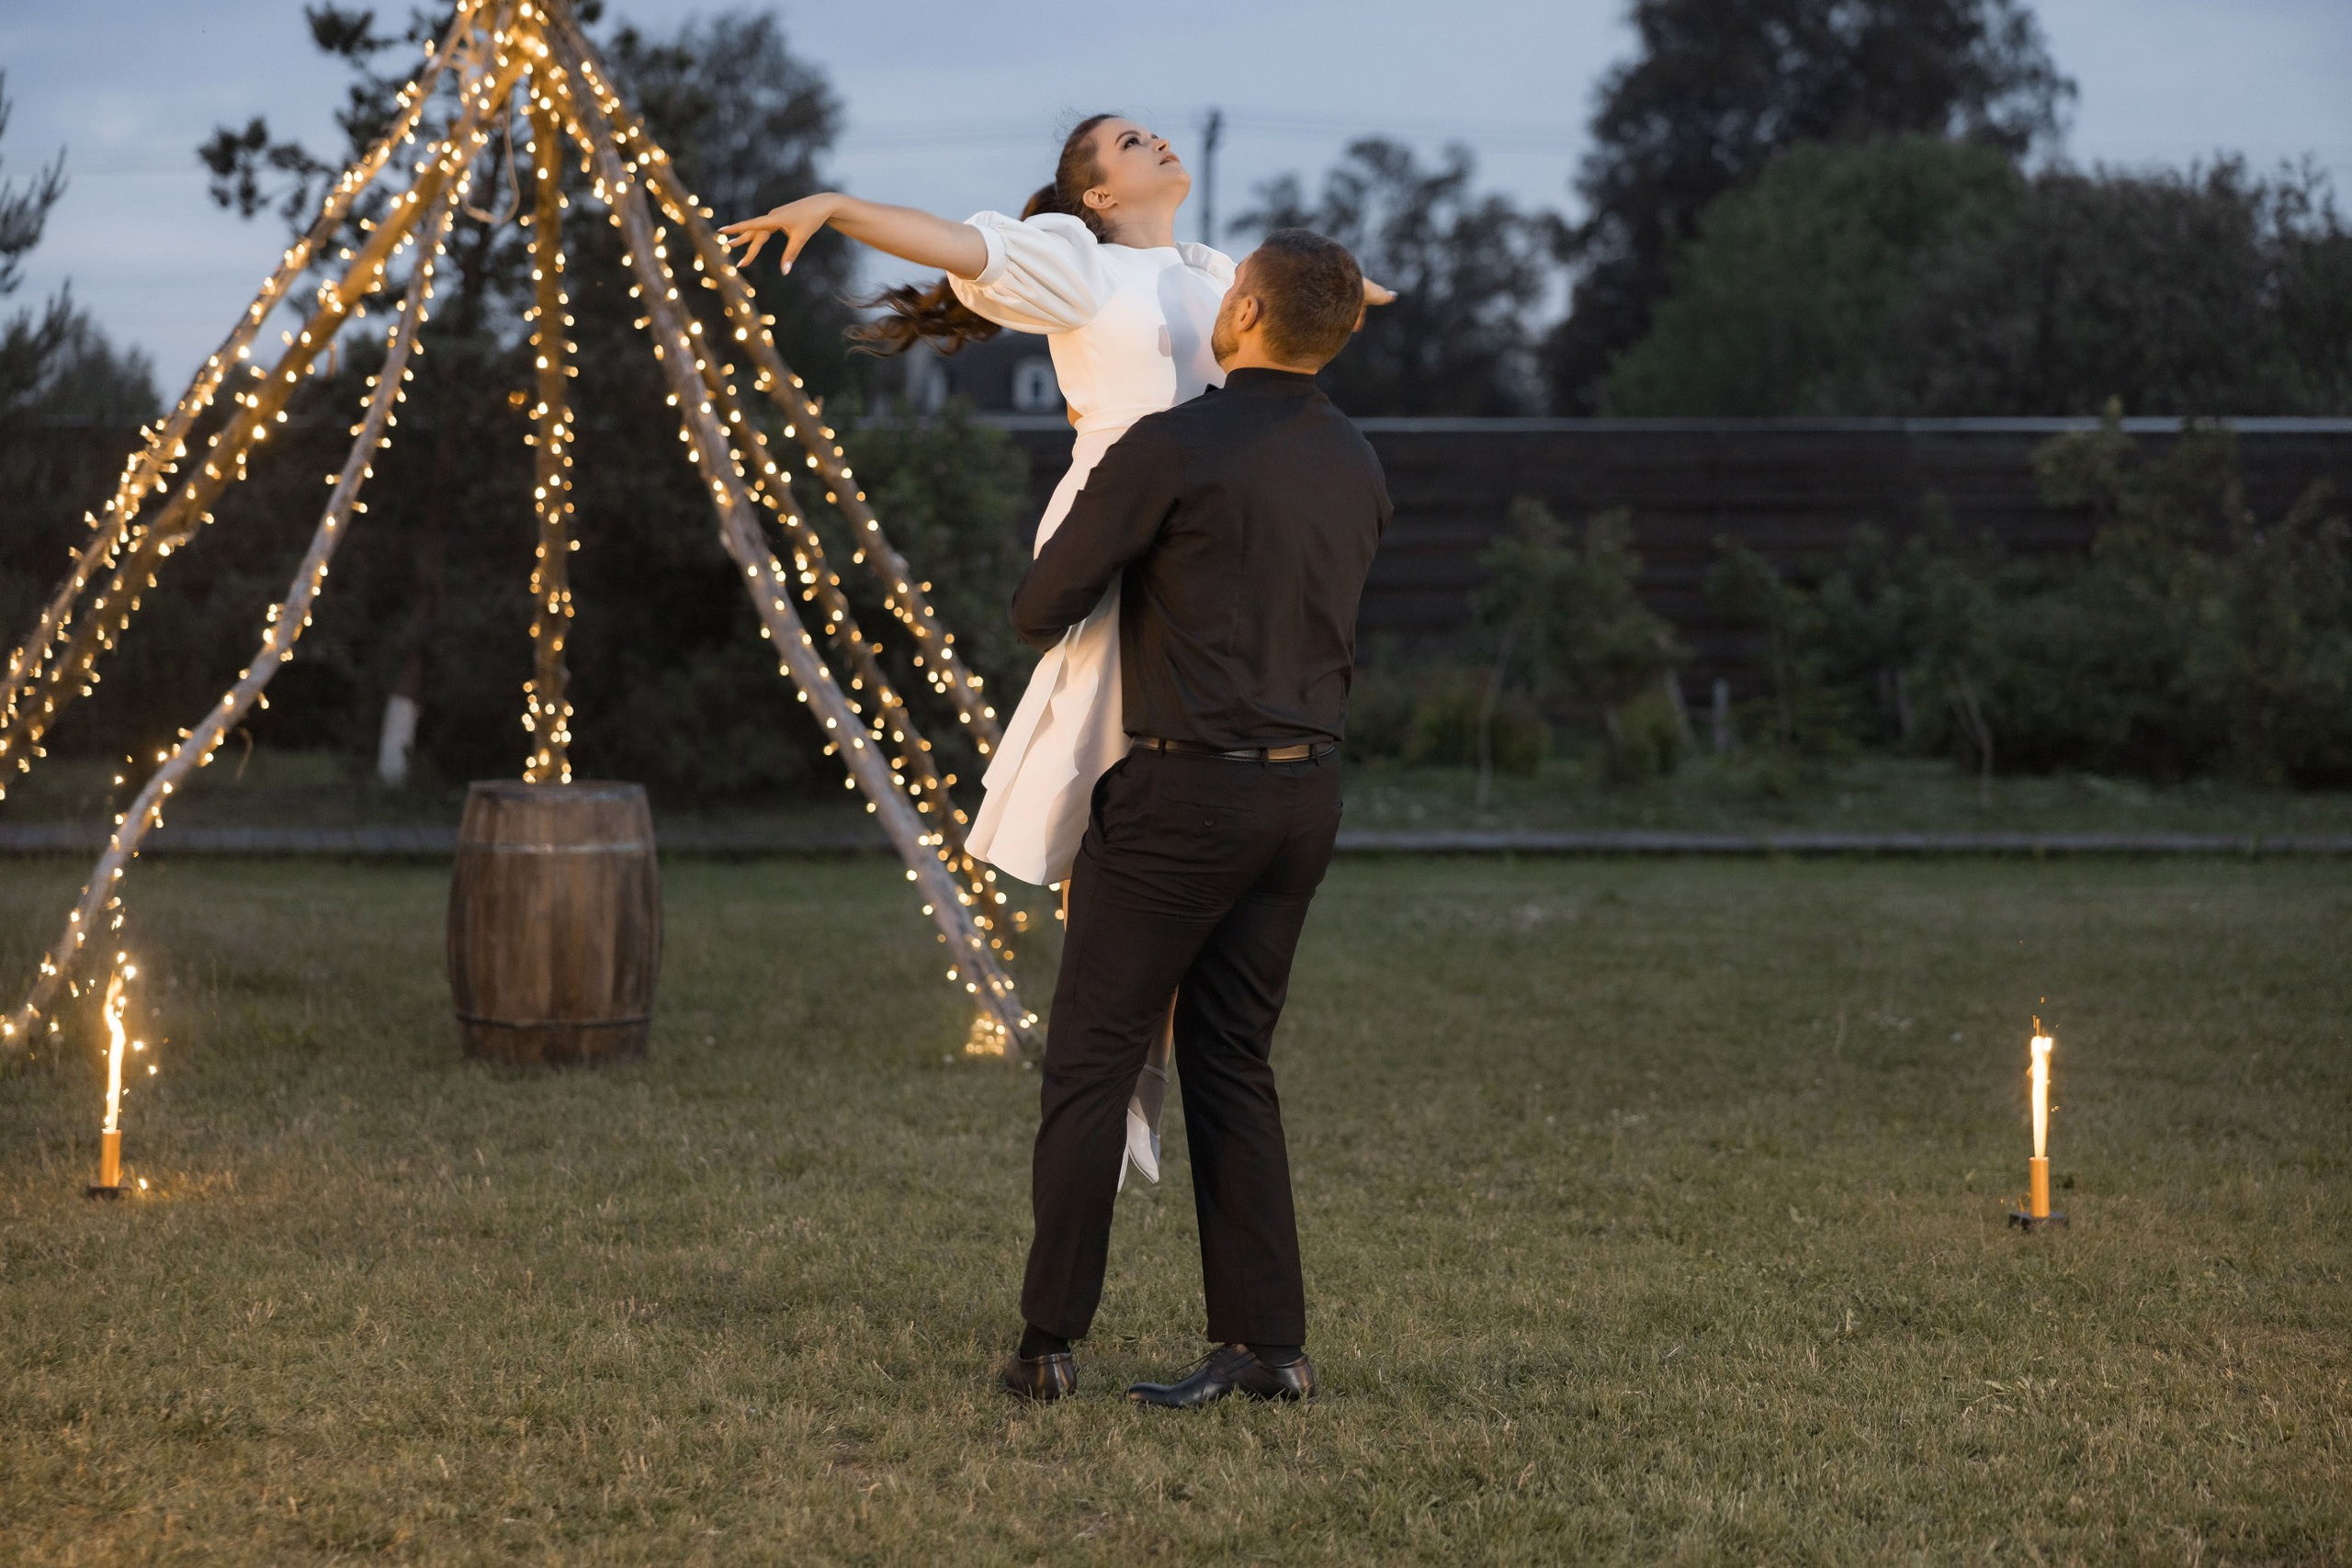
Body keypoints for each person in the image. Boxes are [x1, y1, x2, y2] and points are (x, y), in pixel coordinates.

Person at [719, 118, 1391, 1189]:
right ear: (1096, 194)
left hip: (1207, 553)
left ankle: (1142, 1062)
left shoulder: (1210, 268)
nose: (1161, 141)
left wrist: (1341, 295)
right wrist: (836, 208)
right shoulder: (1080, 264)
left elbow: (1291, 314)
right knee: (1111, 800)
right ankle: (1121, 1061)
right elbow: (952, 244)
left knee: (1170, 808)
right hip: (1121, 549)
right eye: (1132, 140)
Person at [997, 228, 1390, 1407]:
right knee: (1233, 1059)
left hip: (1184, 794)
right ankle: (1267, 1349)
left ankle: (1047, 1345)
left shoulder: (1173, 446)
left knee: (1092, 1063)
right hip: (1303, 796)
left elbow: (1040, 604)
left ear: (1249, 314)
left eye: (1229, 296)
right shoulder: (1359, 463)